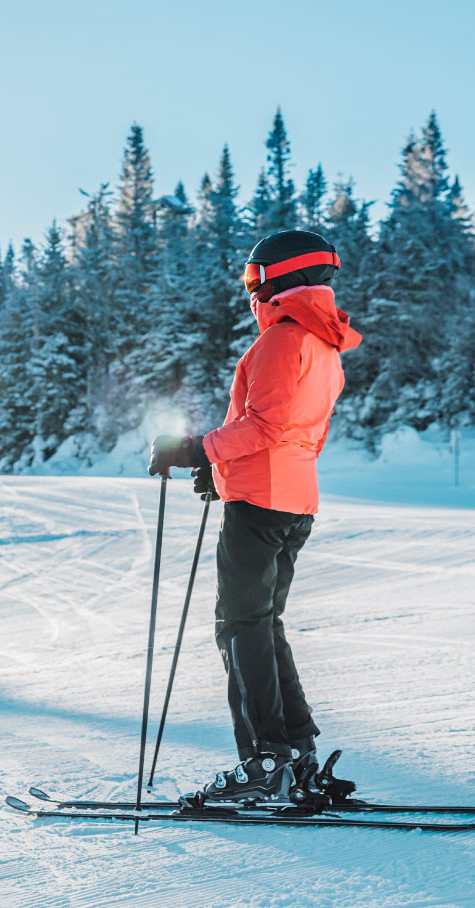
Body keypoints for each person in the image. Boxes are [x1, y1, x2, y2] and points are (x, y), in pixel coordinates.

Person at [148, 228, 361, 804]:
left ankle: (265, 761)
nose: (250, 290)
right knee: (265, 625)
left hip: (260, 506)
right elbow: (295, 437)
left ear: (283, 277)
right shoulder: (325, 346)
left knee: (240, 628)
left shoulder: (279, 343)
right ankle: (299, 756)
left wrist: (195, 450)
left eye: (253, 278)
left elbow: (264, 428)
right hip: (293, 503)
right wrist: (220, 470)